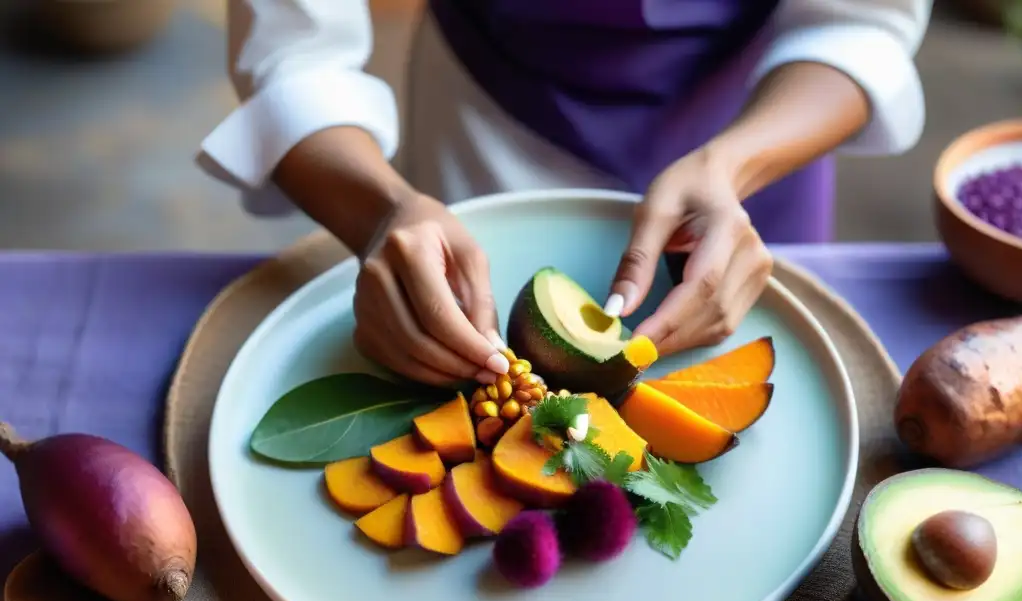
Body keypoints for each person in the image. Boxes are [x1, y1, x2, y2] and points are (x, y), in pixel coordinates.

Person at [197, 0, 932, 386]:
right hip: (487, 128)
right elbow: (295, 54)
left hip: (754, 152)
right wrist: (382, 210)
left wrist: (736, 164)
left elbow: (861, 24)